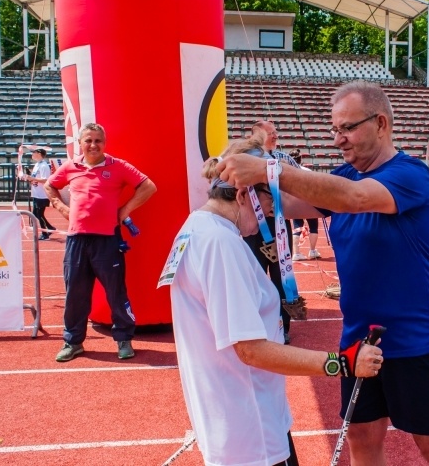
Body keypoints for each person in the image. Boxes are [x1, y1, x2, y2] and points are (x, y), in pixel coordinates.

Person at [216, 81, 429, 466]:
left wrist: (269, 168)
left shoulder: (411, 175)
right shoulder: (342, 175)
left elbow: (354, 198)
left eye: (348, 128)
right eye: (335, 129)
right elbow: (290, 203)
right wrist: (237, 179)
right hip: (357, 337)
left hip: (414, 340)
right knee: (361, 439)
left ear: (381, 123)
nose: (339, 139)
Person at [163, 137, 383, 466]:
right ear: (242, 194)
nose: (275, 210)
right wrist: (343, 363)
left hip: (245, 418)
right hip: (250, 433)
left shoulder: (199, 228)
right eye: (271, 199)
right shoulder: (221, 244)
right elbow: (250, 349)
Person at [44, 123, 157, 362]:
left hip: (107, 241)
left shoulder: (118, 166)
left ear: (104, 143)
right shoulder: (71, 167)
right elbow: (50, 186)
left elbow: (149, 186)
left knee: (116, 293)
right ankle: (73, 342)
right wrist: (61, 207)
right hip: (76, 240)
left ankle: (124, 340)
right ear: (80, 143)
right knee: (75, 293)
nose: (93, 145)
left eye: (98, 141)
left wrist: (124, 210)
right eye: (88, 140)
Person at [244, 120, 303, 345]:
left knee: (281, 276)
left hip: (278, 226)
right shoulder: (245, 159)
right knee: (254, 277)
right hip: (252, 228)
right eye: (270, 133)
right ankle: (257, 325)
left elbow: (300, 186)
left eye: (276, 132)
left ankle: (283, 326)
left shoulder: (284, 159)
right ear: (255, 136)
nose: (275, 136)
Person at [287, 149, 321, 260]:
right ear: (300, 159)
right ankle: (312, 251)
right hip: (308, 202)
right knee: (313, 227)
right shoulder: (307, 171)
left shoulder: (286, 172)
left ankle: (296, 253)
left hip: (294, 202)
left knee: (297, 227)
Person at [23, 148, 57, 240]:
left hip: (42, 194)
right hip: (36, 193)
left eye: (33, 152)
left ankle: (45, 233)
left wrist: (32, 178)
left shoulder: (43, 166)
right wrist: (29, 177)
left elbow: (45, 179)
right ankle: (49, 228)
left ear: (39, 153)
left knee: (39, 214)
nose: (32, 154)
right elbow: (35, 178)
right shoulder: (37, 165)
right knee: (36, 213)